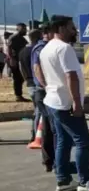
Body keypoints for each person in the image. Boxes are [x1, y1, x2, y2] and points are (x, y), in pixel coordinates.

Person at [39, 15, 89, 191]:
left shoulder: (46, 48)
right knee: (83, 142)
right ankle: (85, 182)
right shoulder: (64, 49)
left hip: (53, 100)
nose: (75, 31)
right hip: (66, 103)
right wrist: (77, 103)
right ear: (61, 29)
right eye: (72, 28)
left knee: (63, 141)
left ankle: (63, 181)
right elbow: (70, 76)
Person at [31, 24, 56, 172]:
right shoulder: (41, 48)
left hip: (45, 90)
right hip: (44, 91)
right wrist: (46, 86)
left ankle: (53, 160)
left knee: (51, 126)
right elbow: (37, 68)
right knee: (48, 127)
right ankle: (50, 161)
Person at [19, 29, 44, 142]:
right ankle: (36, 135)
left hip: (29, 83)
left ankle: (37, 133)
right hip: (38, 84)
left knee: (37, 109)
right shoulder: (38, 50)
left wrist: (26, 80)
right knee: (40, 110)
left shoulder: (22, 51)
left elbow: (21, 68)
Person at [7, 23, 29, 101]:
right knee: (17, 78)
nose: (25, 30)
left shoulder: (22, 39)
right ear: (18, 28)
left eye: (25, 28)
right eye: (23, 28)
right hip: (14, 61)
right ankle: (18, 96)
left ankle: (19, 94)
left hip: (20, 60)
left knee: (21, 78)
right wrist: (11, 59)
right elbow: (9, 48)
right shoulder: (14, 37)